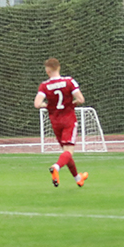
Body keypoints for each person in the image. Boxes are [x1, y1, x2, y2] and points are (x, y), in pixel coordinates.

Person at [34, 57, 87, 188]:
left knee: (66, 152)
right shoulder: (69, 81)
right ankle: (56, 167)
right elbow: (81, 99)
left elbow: (37, 104)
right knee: (68, 151)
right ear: (59, 68)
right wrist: (72, 103)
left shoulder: (44, 85)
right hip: (68, 119)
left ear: (47, 71)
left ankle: (78, 178)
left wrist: (46, 105)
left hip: (55, 121)